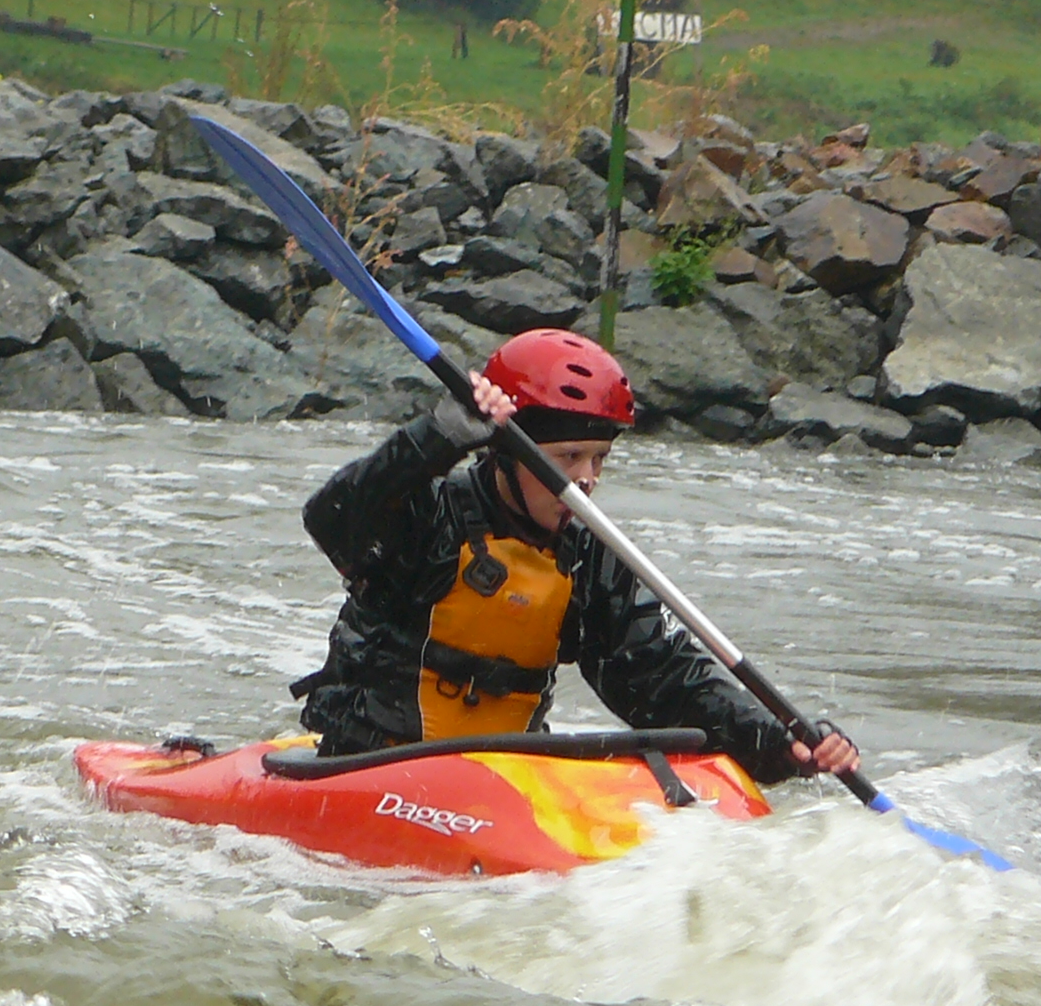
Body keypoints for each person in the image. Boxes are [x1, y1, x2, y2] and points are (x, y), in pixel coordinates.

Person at [291, 328, 862, 786]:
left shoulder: (587, 559)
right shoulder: (427, 517)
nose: (586, 479)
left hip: (499, 781)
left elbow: (661, 681)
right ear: (507, 453)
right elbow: (333, 519)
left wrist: (776, 742)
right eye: (567, 457)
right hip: (366, 768)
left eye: (599, 458)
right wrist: (435, 437)